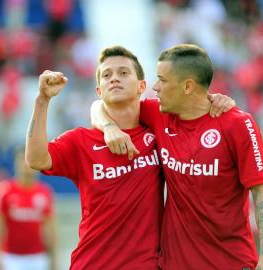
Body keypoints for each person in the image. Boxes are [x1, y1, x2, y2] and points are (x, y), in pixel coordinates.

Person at [25, 45, 233, 269]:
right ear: (99, 91)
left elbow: (193, 107)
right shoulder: (81, 140)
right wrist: (42, 100)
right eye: (107, 75)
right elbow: (36, 159)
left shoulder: (159, 132)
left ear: (142, 86)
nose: (114, 79)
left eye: (123, 73)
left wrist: (215, 100)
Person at [92, 44, 263, 270]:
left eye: (163, 80)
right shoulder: (160, 115)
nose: (156, 87)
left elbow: (262, 193)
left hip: (230, 263)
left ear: (187, 86)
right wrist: (109, 127)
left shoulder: (238, 124)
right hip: (173, 265)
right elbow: (101, 105)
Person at [0, 148, 58, 270]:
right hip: (11, 258)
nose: (26, 165)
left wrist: (53, 258)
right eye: (22, 160)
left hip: (37, 257)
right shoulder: (4, 191)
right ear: (16, 163)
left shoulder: (44, 192)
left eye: (28, 160)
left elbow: (50, 228)